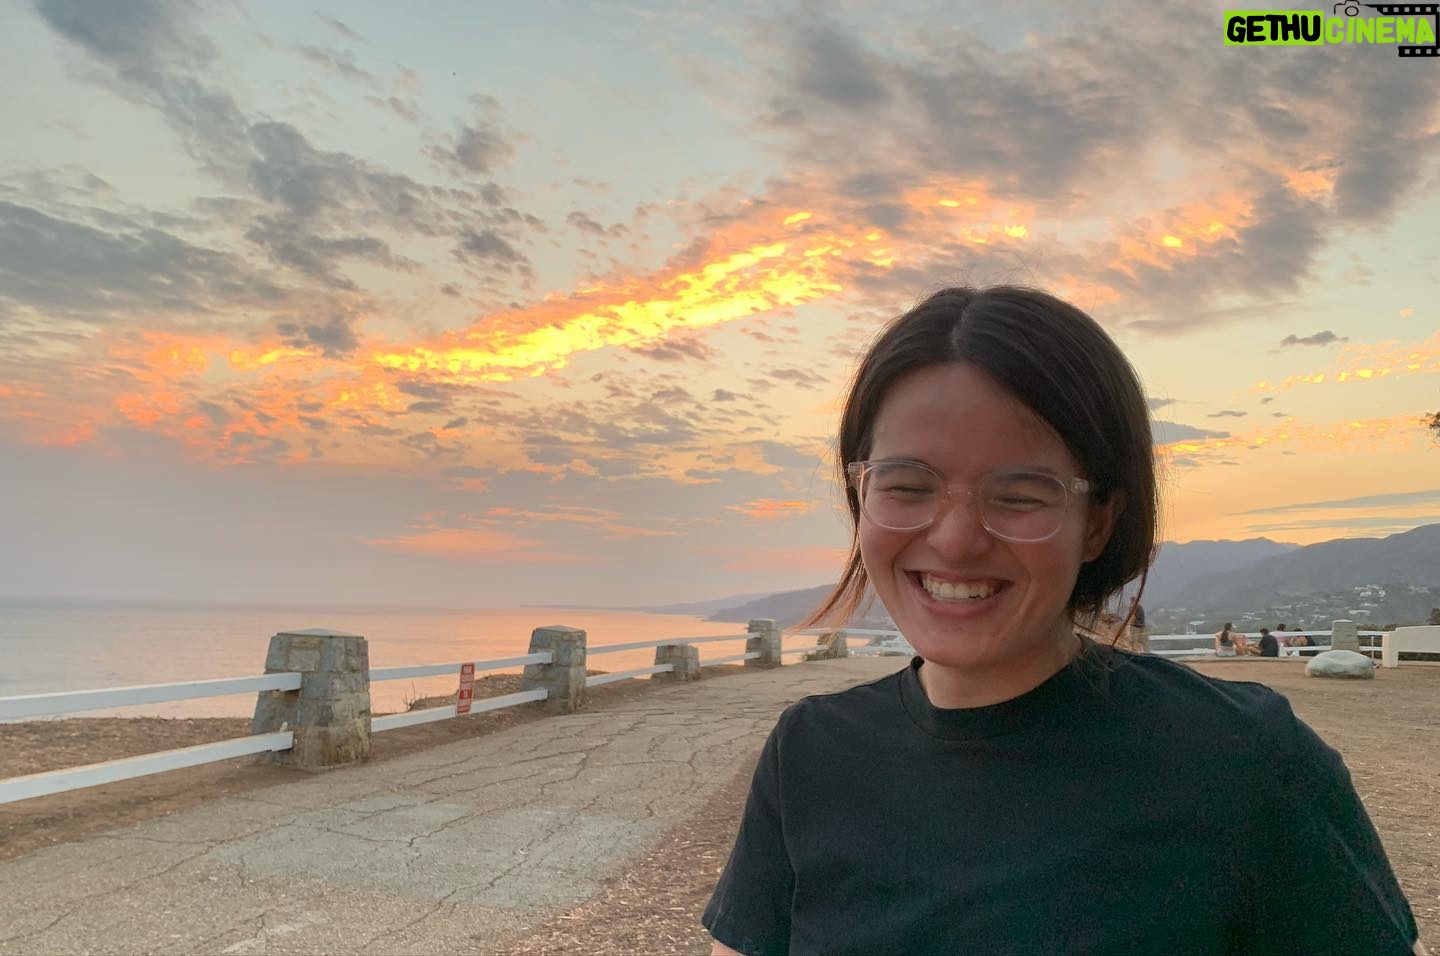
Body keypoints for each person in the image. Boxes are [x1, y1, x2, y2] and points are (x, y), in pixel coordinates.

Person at [702, 286, 1421, 955]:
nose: (955, 540)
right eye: (908, 486)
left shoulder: (1244, 760)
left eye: (1019, 495)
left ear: (1099, 522)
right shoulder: (811, 754)